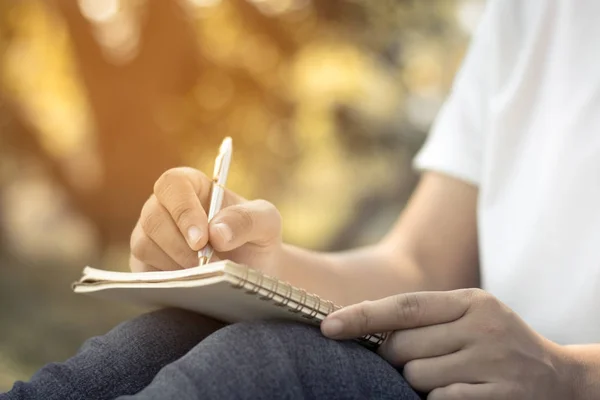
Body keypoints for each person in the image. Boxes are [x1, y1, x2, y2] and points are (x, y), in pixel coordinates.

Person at [3, 0, 600, 398]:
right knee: (162, 341)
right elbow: (421, 268)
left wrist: (571, 376)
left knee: (271, 367)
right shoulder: (535, 14)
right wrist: (263, 271)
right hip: (452, 382)